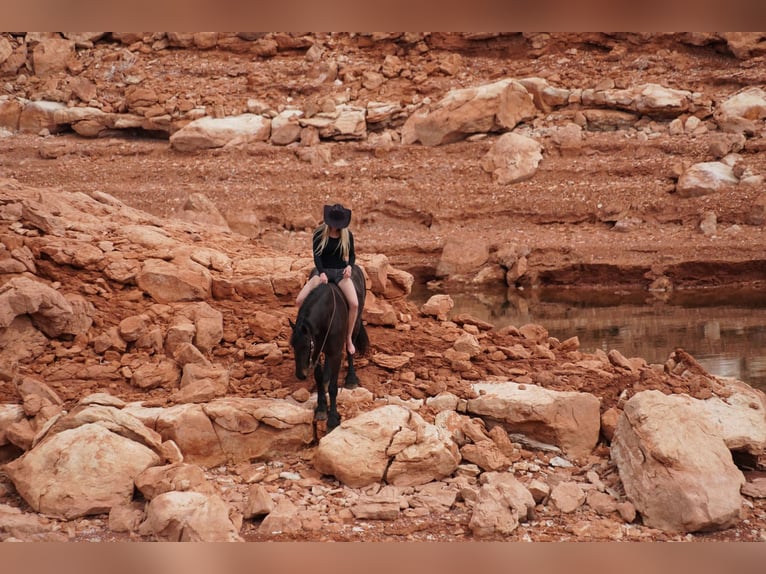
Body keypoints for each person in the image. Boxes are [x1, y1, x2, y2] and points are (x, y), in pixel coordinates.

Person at [296, 203, 359, 355]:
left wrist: (349, 267)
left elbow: (351, 255)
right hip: (322, 272)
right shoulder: (319, 233)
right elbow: (317, 256)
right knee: (299, 300)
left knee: (354, 304)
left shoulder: (347, 235)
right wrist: (322, 273)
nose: (335, 226)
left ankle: (348, 338)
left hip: (340, 273)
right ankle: (304, 333)